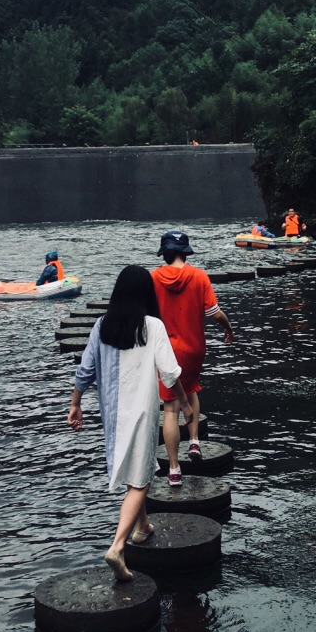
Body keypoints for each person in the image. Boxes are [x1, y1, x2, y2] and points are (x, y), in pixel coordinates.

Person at [68, 265, 191, 581]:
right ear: (146, 294)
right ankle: (117, 546)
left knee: (131, 466)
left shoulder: (102, 325)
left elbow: (85, 369)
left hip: (112, 412)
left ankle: (141, 527)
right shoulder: (152, 326)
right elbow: (171, 373)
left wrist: (75, 403)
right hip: (142, 411)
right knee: (141, 478)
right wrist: (185, 403)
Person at [151, 230, 234, 467]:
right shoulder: (199, 277)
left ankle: (174, 468)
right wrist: (228, 329)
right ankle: (194, 440)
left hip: (165, 349)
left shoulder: (153, 278)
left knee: (170, 408)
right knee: (191, 389)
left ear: (165, 253)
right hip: (194, 348)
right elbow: (214, 313)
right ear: (185, 253)